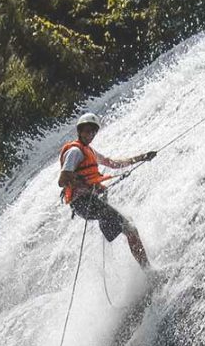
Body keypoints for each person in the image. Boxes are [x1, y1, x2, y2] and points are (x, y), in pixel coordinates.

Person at [58, 113, 157, 270]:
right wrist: (84, 184)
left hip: (90, 202)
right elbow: (62, 180)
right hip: (83, 203)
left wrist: (141, 157)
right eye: (87, 131)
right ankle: (148, 270)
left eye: (93, 132)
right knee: (130, 229)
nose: (90, 134)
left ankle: (144, 267)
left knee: (129, 225)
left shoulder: (89, 151)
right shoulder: (75, 152)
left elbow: (112, 163)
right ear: (80, 131)